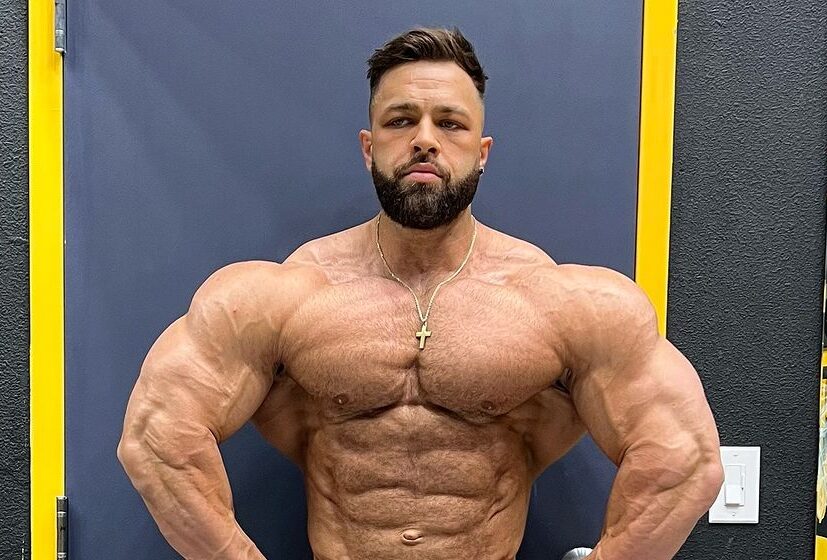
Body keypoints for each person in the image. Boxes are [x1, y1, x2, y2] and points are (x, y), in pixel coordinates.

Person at [118, 27, 723, 560]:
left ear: (481, 154)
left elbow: (684, 460)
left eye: (450, 123)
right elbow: (155, 441)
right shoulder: (282, 296)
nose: (425, 140)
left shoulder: (563, 303)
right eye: (401, 120)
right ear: (369, 147)